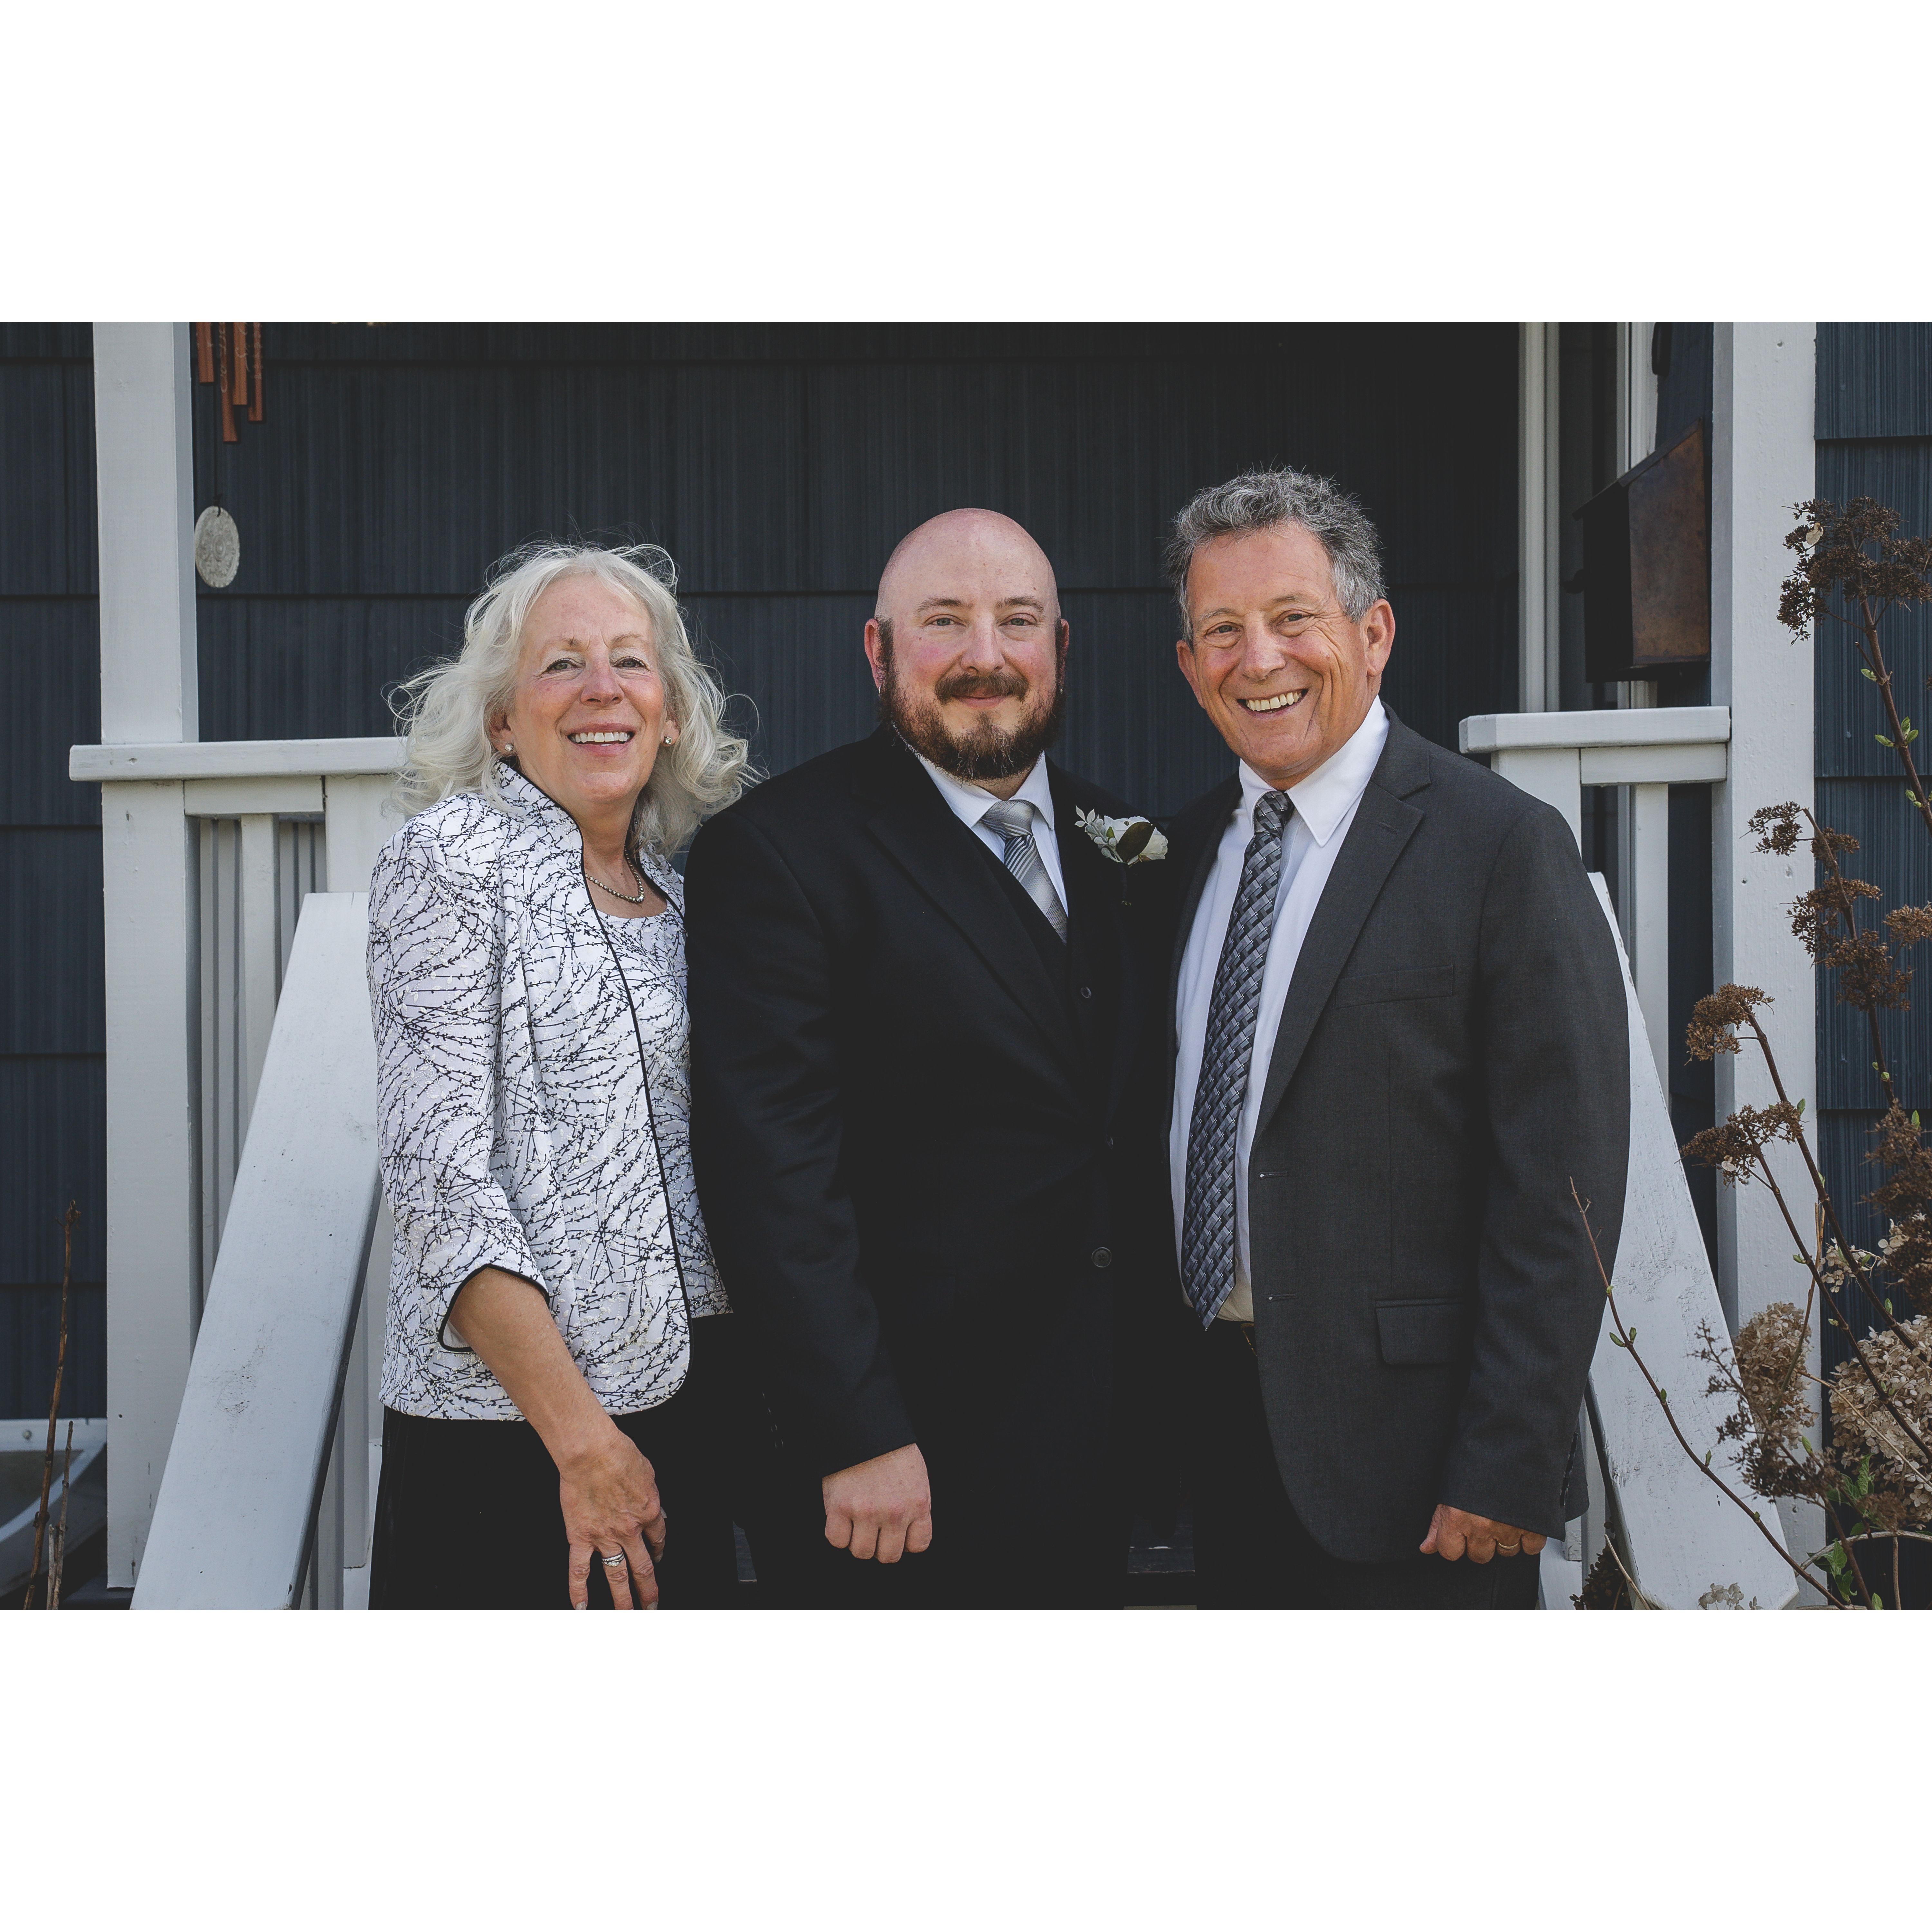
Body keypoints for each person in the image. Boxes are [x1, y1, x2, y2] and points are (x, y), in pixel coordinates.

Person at [683, 509, 1174, 1607]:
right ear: (879, 651)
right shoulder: (780, 857)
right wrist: (854, 1431)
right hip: (906, 1468)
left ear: (1061, 644)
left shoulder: (1122, 840)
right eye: (944, 622)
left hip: (1105, 1441)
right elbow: (773, 1178)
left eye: (1017, 621)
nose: (985, 657)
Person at [1162, 469, 1629, 1609]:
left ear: (1372, 635)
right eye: (1221, 631)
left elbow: (1561, 1187)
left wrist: (1510, 1462)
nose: (1256, 660)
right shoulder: (1180, 857)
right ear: (1188, 666)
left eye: (1291, 621)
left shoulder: (1500, 850)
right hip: (1215, 1434)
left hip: (1426, 1472)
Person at [365, 540, 754, 1609]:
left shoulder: (678, 897)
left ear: (670, 711)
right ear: (502, 719)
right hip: (517, 1439)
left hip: (685, 1415)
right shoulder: (450, 861)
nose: (602, 691)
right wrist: (583, 1444)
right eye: (561, 665)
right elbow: (444, 1188)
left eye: (631, 663)